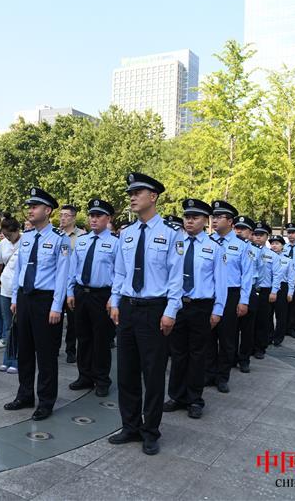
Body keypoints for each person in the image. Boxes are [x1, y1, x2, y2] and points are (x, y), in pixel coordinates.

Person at [107, 173, 182, 456]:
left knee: (152, 374)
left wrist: (171, 310)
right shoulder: (126, 234)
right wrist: (115, 301)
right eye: (130, 193)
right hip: (128, 308)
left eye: (137, 192)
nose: (132, 197)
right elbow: (120, 272)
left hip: (154, 310)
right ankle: (130, 426)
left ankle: (150, 431)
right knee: (126, 372)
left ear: (153, 196)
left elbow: (176, 277)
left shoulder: (171, 233)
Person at [4, 187, 70, 421]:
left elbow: (63, 275)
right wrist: (15, 298)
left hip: (45, 300)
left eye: (35, 207)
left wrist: (56, 306)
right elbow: (20, 269)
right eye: (29, 207)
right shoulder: (27, 237)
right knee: (24, 350)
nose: (30, 210)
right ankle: (24, 395)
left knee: (46, 353)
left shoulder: (60, 239)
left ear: (48, 210)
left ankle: (46, 401)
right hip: (25, 298)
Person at [164, 199, 226, 420]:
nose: (189, 221)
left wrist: (218, 310)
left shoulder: (214, 247)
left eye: (195, 217)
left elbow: (220, 282)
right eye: (187, 217)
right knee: (177, 353)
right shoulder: (175, 243)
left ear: (205, 220)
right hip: (178, 304)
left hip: (201, 306)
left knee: (198, 354)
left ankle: (194, 399)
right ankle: (176, 396)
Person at [66, 199, 121, 398]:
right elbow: (73, 269)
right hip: (82, 293)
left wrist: (114, 298)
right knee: (83, 337)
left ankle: (102, 379)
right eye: (91, 215)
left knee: (101, 339)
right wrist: (70, 292)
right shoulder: (82, 241)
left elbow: (119, 272)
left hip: (102, 295)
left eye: (98, 216)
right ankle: (85, 376)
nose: (94, 219)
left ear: (108, 218)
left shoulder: (115, 243)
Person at [205, 200, 252, 394]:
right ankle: (209, 373)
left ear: (230, 221)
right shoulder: (207, 241)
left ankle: (222, 376)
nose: (214, 220)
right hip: (210, 294)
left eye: (219, 217)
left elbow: (247, 275)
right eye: (213, 217)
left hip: (231, 294)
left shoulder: (241, 245)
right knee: (208, 336)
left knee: (227, 337)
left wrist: (244, 300)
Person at [0, 213, 22, 374]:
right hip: (5, 288)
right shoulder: (3, 243)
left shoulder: (26, 242)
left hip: (20, 290)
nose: (9, 238)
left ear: (17, 230)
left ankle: (17, 360)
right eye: (6, 235)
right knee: (8, 325)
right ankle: (7, 359)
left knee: (18, 326)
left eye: (10, 235)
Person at [232, 215, 261, 374]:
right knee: (232, 329)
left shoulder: (256, 250)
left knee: (247, 330)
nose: (239, 231)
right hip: (234, 291)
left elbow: (261, 272)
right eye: (237, 228)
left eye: (243, 229)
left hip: (250, 292)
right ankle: (231, 357)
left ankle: (244, 359)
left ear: (251, 233)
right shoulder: (229, 246)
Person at [57, 204, 85, 363]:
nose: (62, 218)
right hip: (57, 283)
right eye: (61, 215)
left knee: (73, 320)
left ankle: (70, 350)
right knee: (55, 317)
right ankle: (54, 347)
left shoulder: (82, 236)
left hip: (72, 284)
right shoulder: (56, 234)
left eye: (66, 215)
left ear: (74, 218)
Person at [250, 221, 280, 358]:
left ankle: (260, 348)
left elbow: (277, 275)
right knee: (249, 322)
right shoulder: (247, 251)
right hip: (250, 290)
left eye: (261, 234)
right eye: (255, 234)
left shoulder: (272, 255)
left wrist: (274, 291)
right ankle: (248, 347)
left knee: (263, 321)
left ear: (267, 237)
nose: (258, 237)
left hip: (265, 292)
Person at [268, 235, 295, 346]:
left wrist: (290, 292)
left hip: (282, 288)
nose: (274, 246)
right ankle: (269, 335)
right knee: (268, 313)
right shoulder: (266, 257)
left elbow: (291, 278)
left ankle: (278, 337)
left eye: (277, 243)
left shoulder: (287, 260)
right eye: (272, 243)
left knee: (281, 314)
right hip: (268, 287)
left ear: (282, 246)